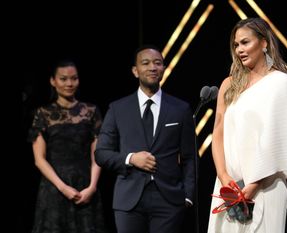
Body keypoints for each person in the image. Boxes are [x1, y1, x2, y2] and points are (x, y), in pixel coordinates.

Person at [207, 17, 287, 233]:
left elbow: (282, 140)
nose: (239, 50)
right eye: (236, 45)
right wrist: (223, 176)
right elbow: (218, 132)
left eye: (245, 42)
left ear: (264, 43)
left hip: (266, 186)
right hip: (229, 186)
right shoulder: (229, 84)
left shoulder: (281, 83)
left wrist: (253, 184)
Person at [95, 45, 196, 233]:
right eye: (146, 63)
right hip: (128, 199)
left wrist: (188, 195)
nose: (152, 67)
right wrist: (131, 158)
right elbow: (101, 154)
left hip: (169, 200)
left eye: (158, 63)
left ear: (164, 69)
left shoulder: (180, 109)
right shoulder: (118, 109)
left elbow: (190, 157)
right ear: (135, 71)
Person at [27, 59, 108, 233]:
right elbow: (39, 160)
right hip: (54, 187)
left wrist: (92, 187)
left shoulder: (91, 111)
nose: (69, 83)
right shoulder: (43, 113)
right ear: (53, 81)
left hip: (85, 187)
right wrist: (63, 188)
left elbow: (98, 155)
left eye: (74, 78)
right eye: (63, 79)